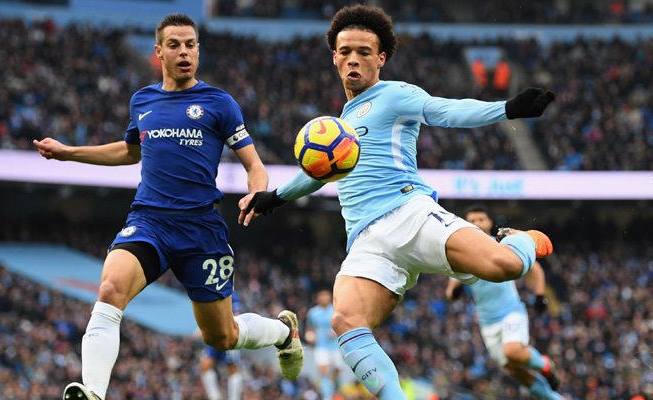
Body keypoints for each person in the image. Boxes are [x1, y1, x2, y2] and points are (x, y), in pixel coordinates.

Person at [241, 5, 555, 399]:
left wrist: (506, 109)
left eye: (364, 52)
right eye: (345, 51)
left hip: (410, 214)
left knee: (504, 266)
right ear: (334, 57)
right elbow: (317, 173)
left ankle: (523, 239)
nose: (353, 59)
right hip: (366, 240)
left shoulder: (394, 94)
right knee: (345, 319)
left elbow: (445, 110)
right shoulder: (338, 125)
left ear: (381, 58)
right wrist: (274, 197)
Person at [33, 13, 303, 400]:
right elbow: (131, 151)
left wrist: (256, 193)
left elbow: (255, 165)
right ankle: (93, 392)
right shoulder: (142, 101)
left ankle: (283, 332)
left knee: (222, 337)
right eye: (174, 45)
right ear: (158, 52)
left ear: (198, 50)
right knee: (109, 289)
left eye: (190, 45)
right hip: (149, 221)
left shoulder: (219, 103)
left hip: (201, 229)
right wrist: (69, 152)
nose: (184, 52)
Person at [445, 204, 565, 400]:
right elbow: (450, 290)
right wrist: (455, 292)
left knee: (513, 351)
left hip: (511, 311)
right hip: (487, 322)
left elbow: (534, 267)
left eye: (481, 219)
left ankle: (544, 365)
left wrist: (540, 294)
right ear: (466, 224)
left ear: (489, 222)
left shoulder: (501, 245)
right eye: (472, 220)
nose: (477, 223)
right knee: (514, 370)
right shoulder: (462, 253)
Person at [305, 289, 349, 400]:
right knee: (324, 371)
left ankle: (332, 387)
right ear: (318, 299)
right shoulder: (313, 312)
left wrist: (336, 333)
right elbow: (309, 328)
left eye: (326, 296)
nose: (324, 298)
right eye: (322, 296)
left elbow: (344, 326)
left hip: (336, 347)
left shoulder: (335, 311)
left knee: (338, 369)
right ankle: (327, 395)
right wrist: (310, 336)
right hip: (321, 347)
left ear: (330, 298)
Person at [200, 292, 244, 400]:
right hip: (216, 334)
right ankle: (214, 397)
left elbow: (237, 315)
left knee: (232, 368)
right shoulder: (212, 292)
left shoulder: (232, 295)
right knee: (205, 365)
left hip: (228, 335)